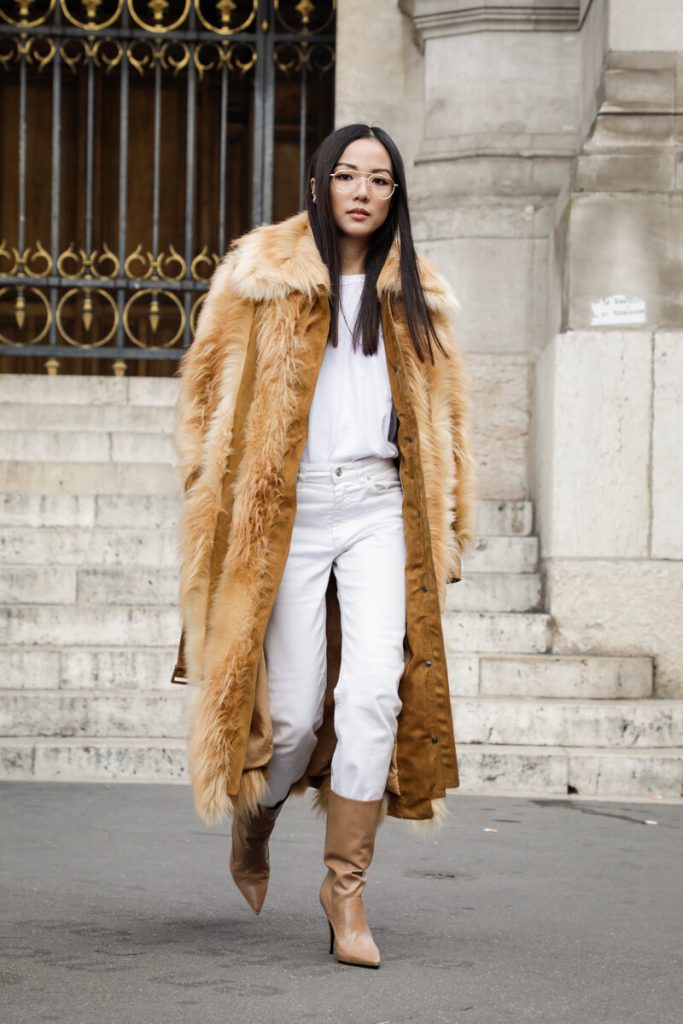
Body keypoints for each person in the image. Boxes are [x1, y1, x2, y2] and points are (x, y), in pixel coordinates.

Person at [170, 123, 476, 968]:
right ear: (319, 183)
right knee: (295, 718)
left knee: (373, 693)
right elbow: (203, 393)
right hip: (287, 510)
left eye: (378, 179)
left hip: (379, 508)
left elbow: (447, 419)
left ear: (394, 194)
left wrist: (449, 527)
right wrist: (210, 498)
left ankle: (345, 889)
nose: (361, 191)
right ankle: (256, 820)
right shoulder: (261, 274)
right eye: (346, 174)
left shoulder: (419, 291)